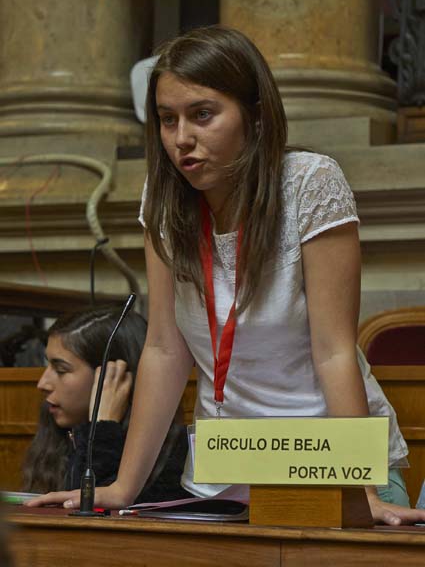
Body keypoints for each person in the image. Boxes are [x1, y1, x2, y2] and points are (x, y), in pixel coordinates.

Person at [27, 26, 425, 525]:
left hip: (329, 464)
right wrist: (121, 486)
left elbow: (335, 351)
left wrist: (359, 491)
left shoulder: (309, 183)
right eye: (167, 120)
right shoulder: (165, 198)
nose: (181, 139)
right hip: (229, 469)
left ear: (255, 116)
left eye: (202, 115)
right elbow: (166, 349)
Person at [23, 305, 188, 502]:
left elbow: (89, 513)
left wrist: (102, 429)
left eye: (61, 370)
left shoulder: (173, 453)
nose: (43, 383)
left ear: (112, 374)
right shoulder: (62, 430)